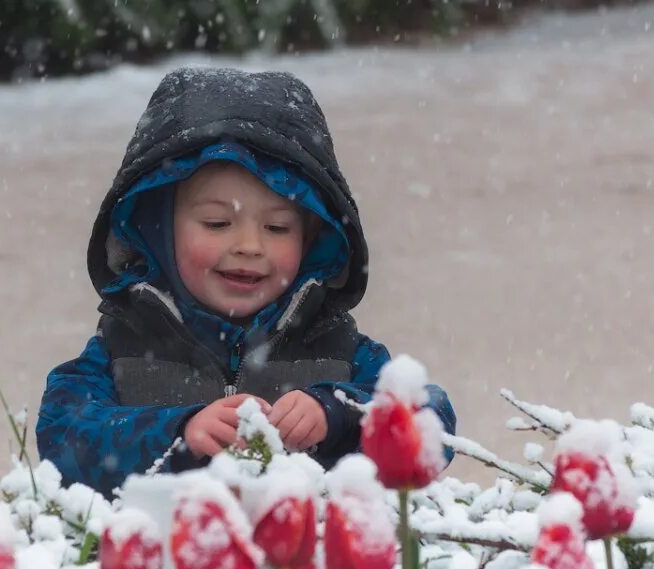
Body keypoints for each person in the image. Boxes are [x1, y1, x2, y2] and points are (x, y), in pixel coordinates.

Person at [37, 66, 456, 495]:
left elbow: (431, 420)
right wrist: (177, 431)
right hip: (164, 553)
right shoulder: (124, 347)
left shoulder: (337, 349)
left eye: (277, 228)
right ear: (157, 230)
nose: (249, 245)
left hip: (307, 555)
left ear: (312, 239)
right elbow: (61, 434)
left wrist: (337, 410)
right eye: (218, 222)